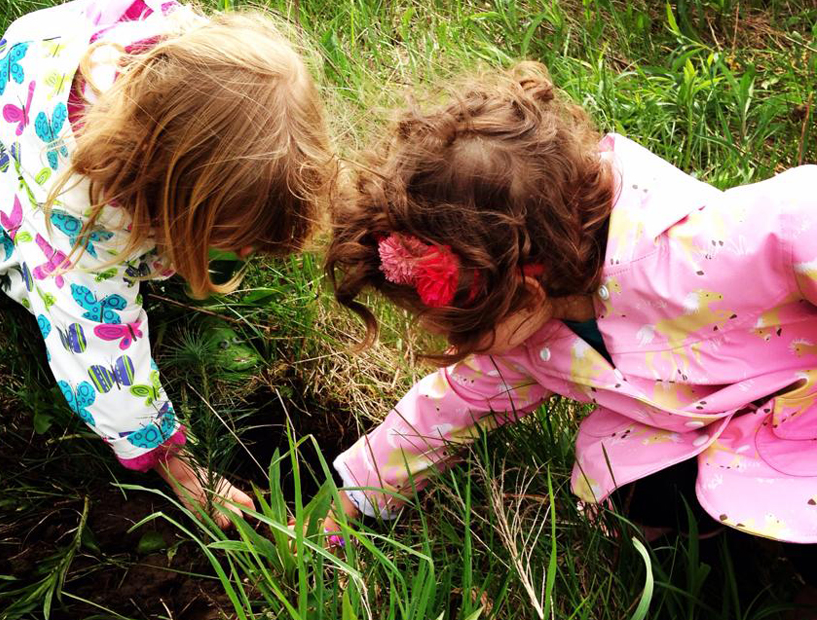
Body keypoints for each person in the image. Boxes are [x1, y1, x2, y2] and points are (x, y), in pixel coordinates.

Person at [323, 61, 817, 559]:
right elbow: (449, 407)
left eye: (456, 322)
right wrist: (357, 498)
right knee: (624, 478)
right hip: (722, 429)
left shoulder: (698, 250)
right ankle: (730, 547)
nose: (443, 337)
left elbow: (801, 213)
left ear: (522, 291)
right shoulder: (530, 338)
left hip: (804, 406)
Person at [0, 0, 333, 527]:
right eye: (227, 236)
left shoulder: (192, 70)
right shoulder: (79, 214)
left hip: (67, 46)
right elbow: (95, 340)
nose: (243, 255)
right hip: (30, 117)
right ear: (156, 197)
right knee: (59, 287)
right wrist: (173, 461)